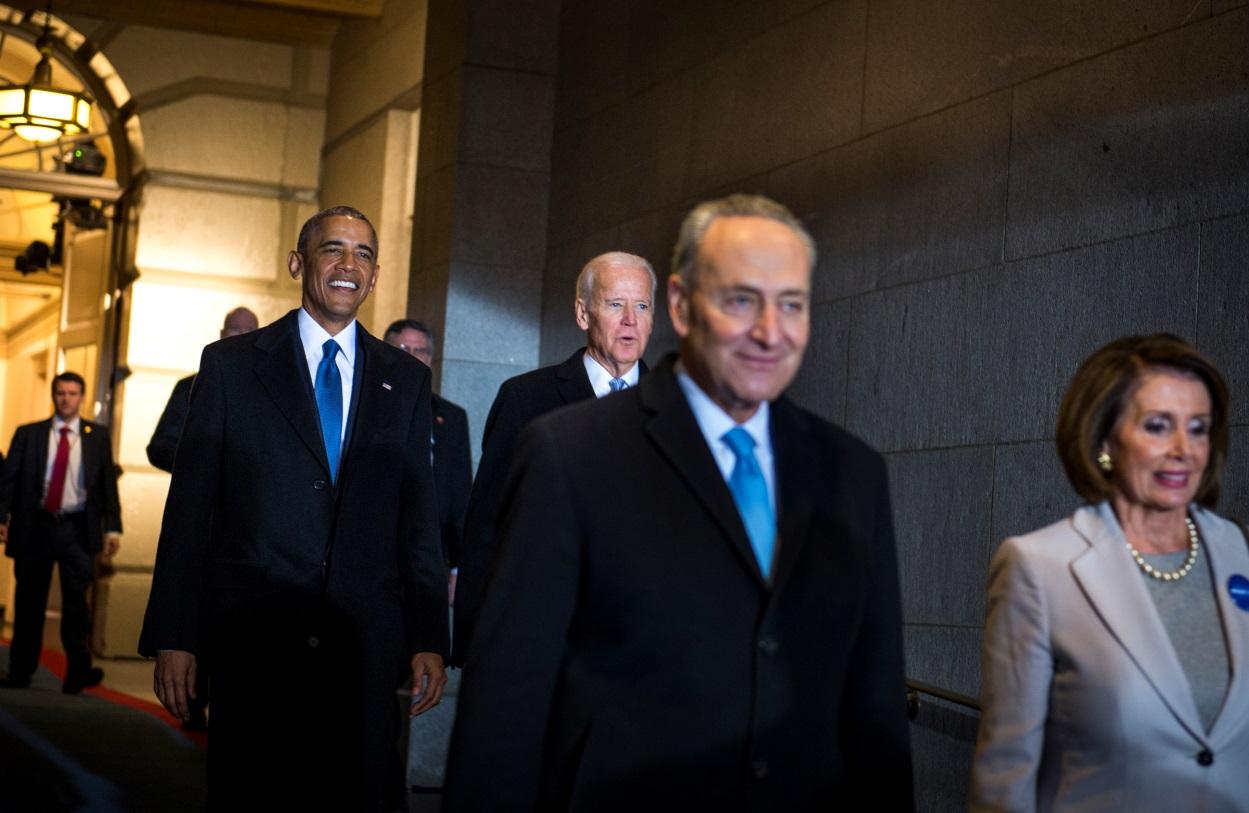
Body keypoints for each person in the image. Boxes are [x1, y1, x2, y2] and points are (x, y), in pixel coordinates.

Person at [444, 195, 913, 810]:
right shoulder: (570, 452)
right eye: (741, 299)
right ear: (683, 305)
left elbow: (873, 710)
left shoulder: (854, 475)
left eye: (791, 304)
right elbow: (508, 701)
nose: (770, 331)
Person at [138, 206, 450, 810]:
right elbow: (191, 512)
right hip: (255, 644)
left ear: (376, 275)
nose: (347, 265)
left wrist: (429, 634)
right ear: (297, 263)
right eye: (332, 249)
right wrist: (176, 634)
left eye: (362, 254)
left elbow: (419, 521)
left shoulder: (404, 381)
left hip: (364, 647)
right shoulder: (231, 366)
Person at [970, 334, 1249, 812]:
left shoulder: (1235, 549)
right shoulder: (1038, 566)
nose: (1184, 448)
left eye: (1198, 427)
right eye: (1158, 426)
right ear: (1104, 440)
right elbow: (1005, 774)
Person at [452, 251, 656, 663]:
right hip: (546, 643)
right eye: (616, 304)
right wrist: (475, 642)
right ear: (583, 314)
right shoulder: (526, 398)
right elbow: (489, 522)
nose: (631, 320)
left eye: (642, 306)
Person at [0, 372, 122, 694]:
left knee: (76, 607)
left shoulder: (96, 436)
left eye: (72, 393)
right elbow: (8, 480)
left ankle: (77, 673)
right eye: (61, 392)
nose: (66, 398)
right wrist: (2, 516)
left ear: (81, 397)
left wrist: (113, 527)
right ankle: (19, 671)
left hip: (76, 530)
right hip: (36, 528)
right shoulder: (30, 434)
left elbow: (107, 483)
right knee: (29, 604)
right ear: (54, 396)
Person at [383, 319, 472, 595]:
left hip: (428, 556)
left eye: (419, 351)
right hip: (376, 547)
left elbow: (460, 493)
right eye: (402, 348)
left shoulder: (452, 417)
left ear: (430, 358)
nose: (411, 357)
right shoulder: (367, 405)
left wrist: (459, 565)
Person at [145, 306, 258, 472]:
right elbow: (160, 449)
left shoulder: (269, 391)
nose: (242, 335)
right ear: (222, 334)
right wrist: (202, 466)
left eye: (249, 330)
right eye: (235, 329)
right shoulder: (188, 388)